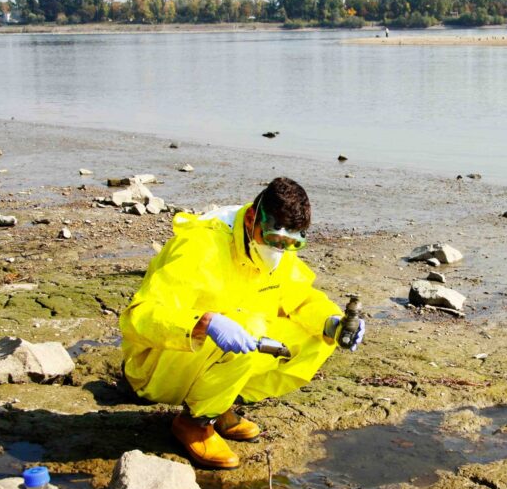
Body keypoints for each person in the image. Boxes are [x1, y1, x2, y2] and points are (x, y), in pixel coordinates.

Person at [119, 177, 365, 469]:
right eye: (274, 239)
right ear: (252, 218)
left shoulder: (277, 253)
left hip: (219, 357)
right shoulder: (201, 246)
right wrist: (204, 323)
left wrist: (332, 323)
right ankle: (195, 423)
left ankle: (219, 404)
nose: (279, 249)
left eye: (290, 244)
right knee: (251, 328)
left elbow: (301, 299)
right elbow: (138, 317)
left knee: (315, 337)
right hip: (159, 363)